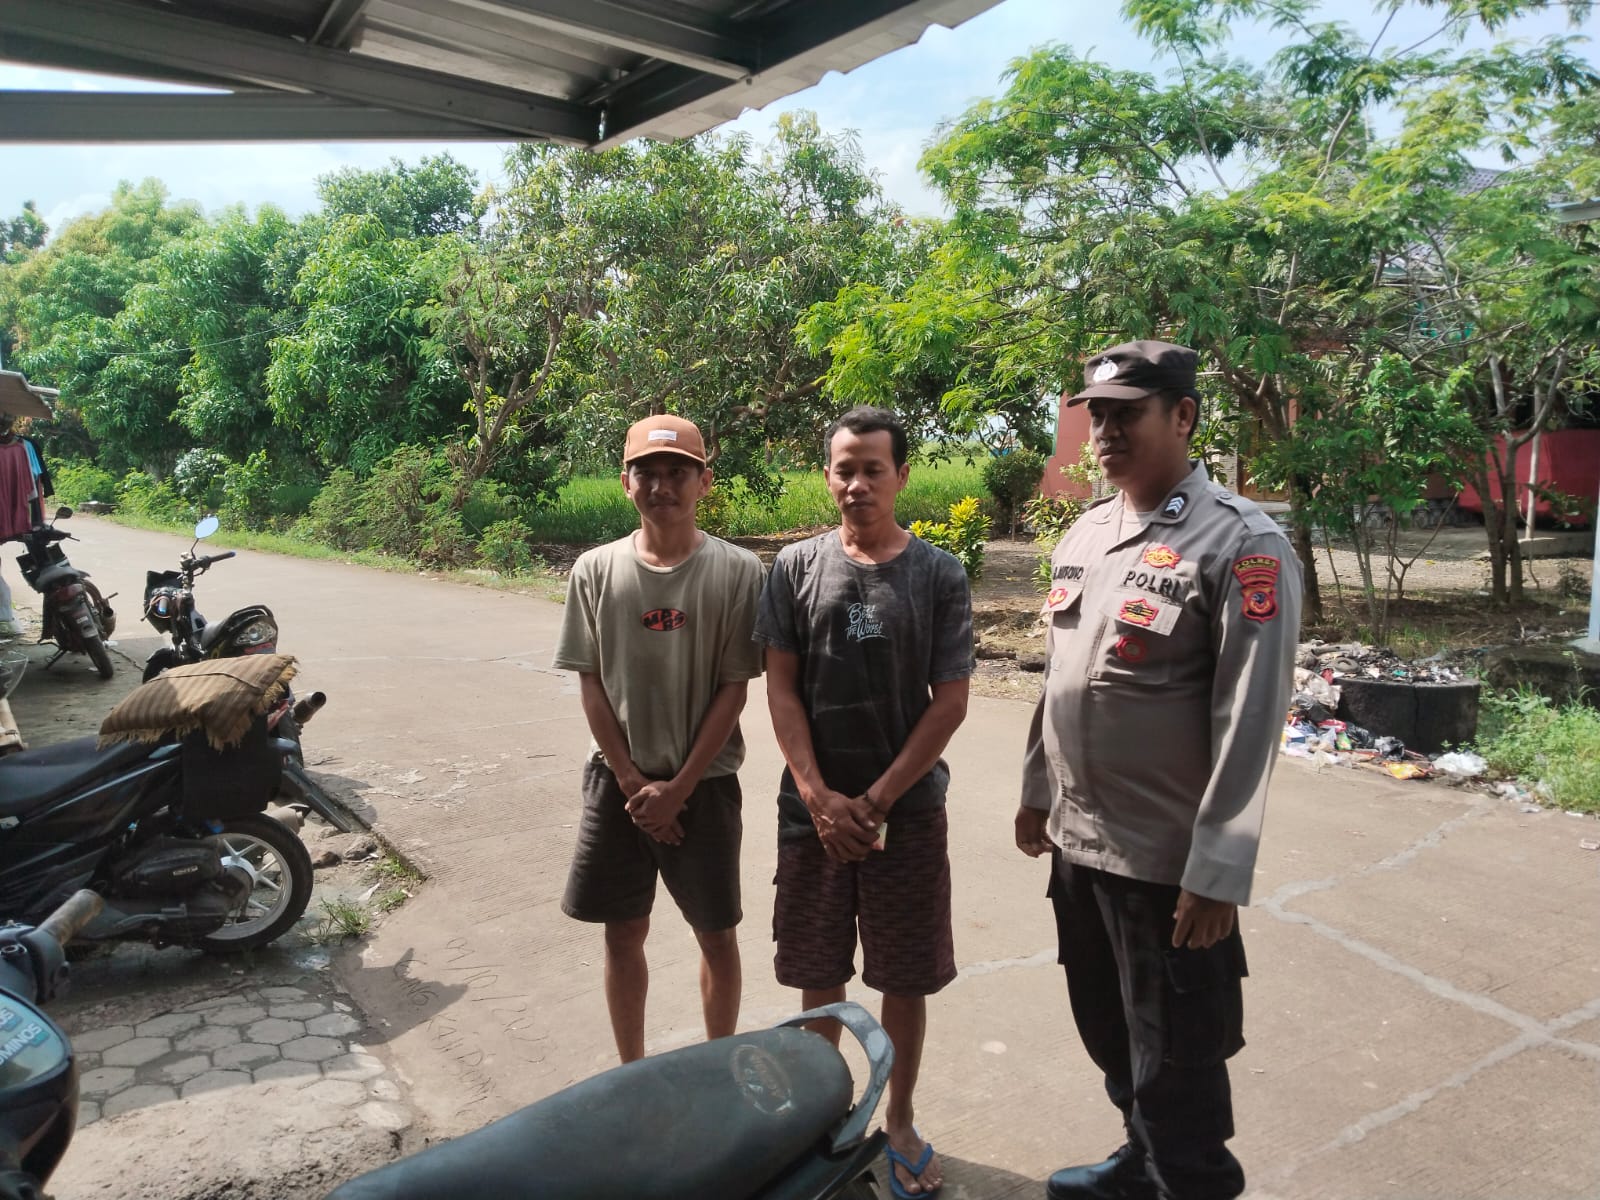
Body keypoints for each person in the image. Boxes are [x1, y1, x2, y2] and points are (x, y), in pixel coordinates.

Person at [1016, 341, 1302, 1200]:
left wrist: (1218, 870)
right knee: (1110, 1031)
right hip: (1080, 844)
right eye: (1096, 415)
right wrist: (1036, 791)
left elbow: (1250, 718)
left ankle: (1186, 1178)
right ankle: (1140, 1166)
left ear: (1182, 416)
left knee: (1178, 1063)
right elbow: (1062, 678)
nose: (1104, 432)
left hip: (1165, 864)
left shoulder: (1241, 542)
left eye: (1126, 414)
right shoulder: (1088, 531)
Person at [755, 405, 973, 1200]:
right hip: (811, 816)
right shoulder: (794, 568)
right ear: (828, 477)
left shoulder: (939, 574)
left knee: (903, 976)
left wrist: (876, 802)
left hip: (905, 816)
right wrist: (818, 797)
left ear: (901, 475)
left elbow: (949, 702)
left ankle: (901, 1120)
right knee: (819, 973)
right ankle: (824, 1123)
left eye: (873, 469)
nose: (857, 484)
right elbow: (781, 689)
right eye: (844, 469)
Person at [553, 414, 764, 1064]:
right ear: (626, 482)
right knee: (623, 932)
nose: (662, 486)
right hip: (616, 783)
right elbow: (590, 681)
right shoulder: (594, 570)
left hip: (707, 785)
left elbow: (734, 688)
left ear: (705, 481)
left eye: (678, 472)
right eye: (647, 472)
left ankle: (718, 1066)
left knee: (716, 935)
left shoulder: (739, 572)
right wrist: (632, 782)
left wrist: (678, 789)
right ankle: (632, 1071)